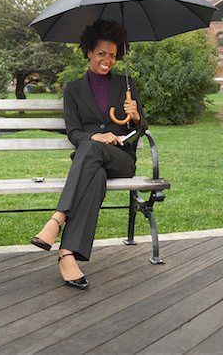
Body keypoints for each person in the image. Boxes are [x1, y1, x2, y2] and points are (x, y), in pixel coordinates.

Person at [31, 20, 147, 289]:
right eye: (102, 54)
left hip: (121, 159)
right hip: (91, 162)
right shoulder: (73, 89)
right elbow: (73, 132)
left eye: (113, 56)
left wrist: (136, 115)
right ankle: (67, 254)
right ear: (89, 53)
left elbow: (141, 128)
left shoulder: (126, 85)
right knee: (94, 173)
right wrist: (97, 136)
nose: (108, 60)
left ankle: (57, 218)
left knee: (93, 152)